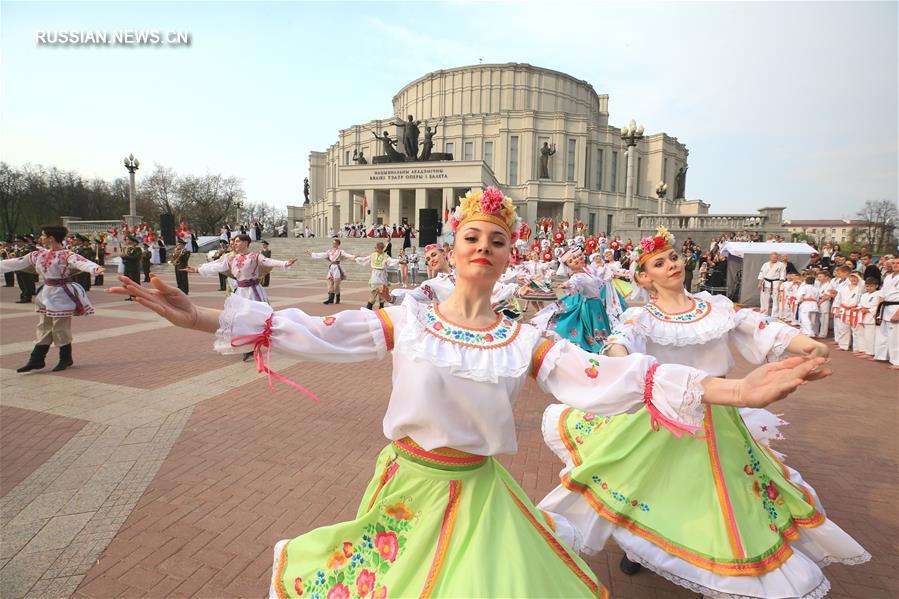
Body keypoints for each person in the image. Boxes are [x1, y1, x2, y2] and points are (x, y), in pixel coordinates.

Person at [109, 186, 828, 599]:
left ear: (512, 256)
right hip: (406, 484)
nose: (483, 246)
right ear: (450, 250)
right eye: (471, 236)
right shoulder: (408, 319)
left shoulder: (522, 337)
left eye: (498, 239)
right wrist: (201, 314)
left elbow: (612, 377)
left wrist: (736, 387)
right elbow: (313, 332)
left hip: (479, 490)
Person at [537, 228, 866, 599]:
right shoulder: (641, 317)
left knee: (725, 495)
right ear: (645, 278)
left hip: (719, 416)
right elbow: (619, 346)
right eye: (658, 263)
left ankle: (721, 570)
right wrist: (624, 366)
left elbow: (760, 326)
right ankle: (639, 550)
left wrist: (807, 346)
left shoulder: (715, 306)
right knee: (645, 486)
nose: (671, 265)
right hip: (665, 417)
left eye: (673, 257)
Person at [1, 225, 104, 372]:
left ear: (51, 238)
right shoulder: (38, 254)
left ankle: (65, 358)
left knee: (60, 327)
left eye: (43, 235)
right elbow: (16, 262)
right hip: (47, 293)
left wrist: (94, 268)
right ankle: (36, 360)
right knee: (44, 325)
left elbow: (81, 262)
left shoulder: (67, 255)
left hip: (62, 294)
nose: (41, 238)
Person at [530, 247, 615, 352]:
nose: (575, 260)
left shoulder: (586, 272)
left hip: (597, 304)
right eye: (571, 261)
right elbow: (573, 283)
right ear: (569, 266)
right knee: (594, 329)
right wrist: (567, 285)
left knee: (599, 327)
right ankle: (597, 348)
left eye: (576, 257)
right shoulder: (577, 276)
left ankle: (602, 346)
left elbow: (599, 282)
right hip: (590, 306)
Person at [185, 234, 296, 304]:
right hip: (240, 291)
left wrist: (285, 263)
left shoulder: (255, 256)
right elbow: (216, 266)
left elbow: (268, 261)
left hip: (254, 290)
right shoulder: (231, 258)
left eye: (237, 241)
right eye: (234, 242)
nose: (235, 244)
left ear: (246, 243)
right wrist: (197, 270)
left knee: (258, 313)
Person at [309, 238, 355, 305]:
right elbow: (322, 254)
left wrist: (353, 256)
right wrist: (312, 254)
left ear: (338, 244)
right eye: (333, 243)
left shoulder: (340, 251)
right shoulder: (329, 251)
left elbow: (347, 255)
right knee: (330, 283)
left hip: (337, 268)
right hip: (331, 268)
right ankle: (330, 299)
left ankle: (338, 297)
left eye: (335, 243)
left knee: (336, 285)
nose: (333, 244)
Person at [356, 242, 400, 310]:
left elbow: (391, 260)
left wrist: (398, 260)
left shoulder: (385, 256)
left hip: (381, 274)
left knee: (382, 292)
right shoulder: (373, 255)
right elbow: (365, 259)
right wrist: (357, 259)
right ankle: (369, 306)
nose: (375, 249)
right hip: (375, 274)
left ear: (380, 248)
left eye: (376, 247)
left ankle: (380, 306)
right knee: (374, 291)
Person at [873, 257, 899, 368]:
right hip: (885, 308)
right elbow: (882, 294)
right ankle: (882, 356)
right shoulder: (888, 277)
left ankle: (897, 361)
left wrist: (898, 313)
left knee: (895, 336)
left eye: (898, 263)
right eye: (893, 263)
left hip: (895, 307)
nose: (895, 265)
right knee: (883, 334)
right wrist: (878, 310)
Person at [854, 278, 880, 358]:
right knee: (862, 334)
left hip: (871, 317)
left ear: (876, 286)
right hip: (862, 316)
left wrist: (869, 310)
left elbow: (879, 306)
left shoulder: (879, 294)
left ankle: (870, 352)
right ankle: (863, 350)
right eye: (867, 286)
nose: (869, 288)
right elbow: (860, 305)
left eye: (871, 286)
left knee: (870, 336)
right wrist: (857, 308)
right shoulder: (864, 295)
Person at [120, 235, 143, 301]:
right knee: (128, 282)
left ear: (132, 241)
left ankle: (136, 295)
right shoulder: (128, 248)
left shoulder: (137, 249)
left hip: (134, 268)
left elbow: (135, 258)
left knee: (134, 282)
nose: (126, 241)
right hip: (127, 268)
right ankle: (131, 295)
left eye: (128, 239)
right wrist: (123, 257)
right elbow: (125, 256)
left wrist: (125, 257)